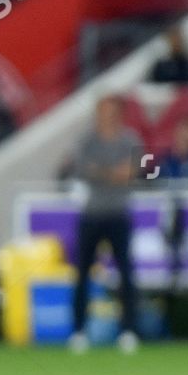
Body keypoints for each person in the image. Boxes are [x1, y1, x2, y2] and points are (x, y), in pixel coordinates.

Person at [68, 96, 141, 354]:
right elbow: (82, 170)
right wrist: (113, 173)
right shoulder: (87, 140)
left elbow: (129, 173)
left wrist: (102, 172)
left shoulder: (129, 140)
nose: (105, 117)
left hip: (119, 214)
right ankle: (78, 330)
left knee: (126, 274)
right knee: (83, 274)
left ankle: (128, 330)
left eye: (110, 112)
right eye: (102, 112)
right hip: (92, 215)